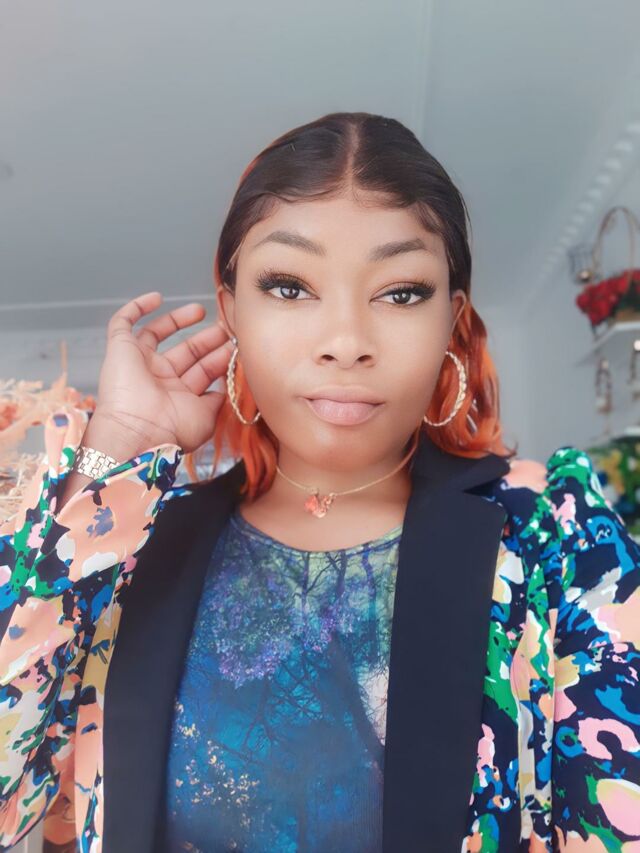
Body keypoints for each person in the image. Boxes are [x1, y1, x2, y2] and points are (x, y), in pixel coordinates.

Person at [1, 111, 639, 853]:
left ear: (451, 320)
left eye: (401, 292)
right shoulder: (132, 542)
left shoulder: (552, 532)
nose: (345, 342)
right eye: (289, 286)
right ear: (232, 310)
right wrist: (115, 452)